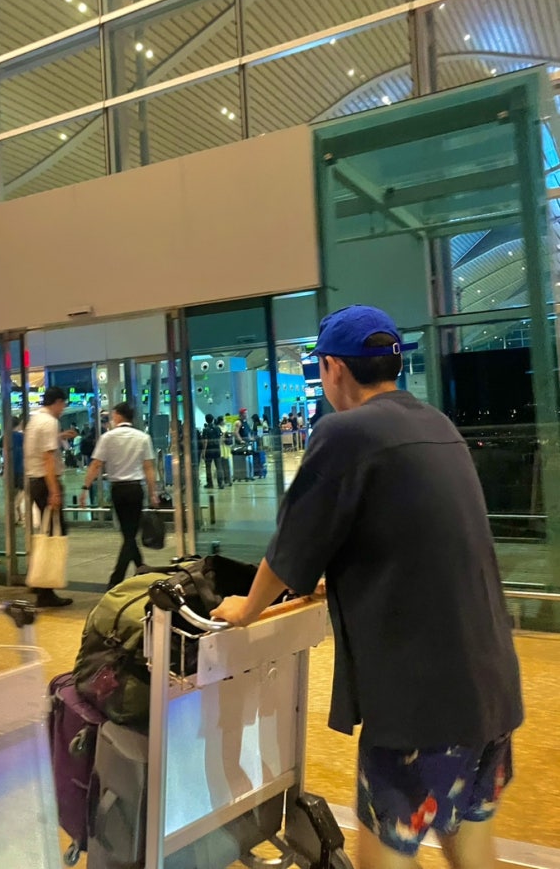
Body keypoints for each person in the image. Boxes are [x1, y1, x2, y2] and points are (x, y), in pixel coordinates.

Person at [211, 305, 523, 868]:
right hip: (490, 685)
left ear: (332, 368)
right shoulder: (436, 424)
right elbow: (412, 534)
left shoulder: (345, 432)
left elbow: (293, 541)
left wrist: (248, 608)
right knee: (471, 842)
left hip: (422, 699)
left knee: (387, 849)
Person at [79, 401, 159, 588]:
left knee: (128, 534)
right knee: (130, 534)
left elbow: (96, 464)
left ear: (118, 415)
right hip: (135, 489)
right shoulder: (143, 438)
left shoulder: (107, 437)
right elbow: (148, 467)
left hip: (118, 489)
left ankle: (116, 579)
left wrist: (85, 488)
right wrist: (153, 492)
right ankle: (141, 568)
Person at [24, 386, 75, 608]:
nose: (63, 409)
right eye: (63, 404)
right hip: (45, 482)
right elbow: (47, 459)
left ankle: (39, 584)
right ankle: (45, 591)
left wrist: (60, 436)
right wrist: (54, 491)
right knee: (55, 535)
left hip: (35, 481)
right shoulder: (49, 422)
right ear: (58, 402)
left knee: (47, 533)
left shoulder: (35, 419)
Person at [201, 413, 224, 489]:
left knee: (208, 467)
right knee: (219, 466)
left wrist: (203, 452)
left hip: (209, 450)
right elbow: (221, 438)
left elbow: (205, 441)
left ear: (206, 420)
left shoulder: (205, 429)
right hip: (217, 449)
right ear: (213, 419)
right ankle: (220, 483)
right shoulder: (217, 428)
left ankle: (210, 483)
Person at [11, 415, 25, 524]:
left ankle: (18, 516)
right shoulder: (21, 436)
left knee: (14, 492)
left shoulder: (6, 436)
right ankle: (16, 508)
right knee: (23, 490)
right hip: (21, 468)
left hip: (11, 469)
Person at [216, 415, 233, 487]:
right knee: (221, 465)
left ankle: (228, 479)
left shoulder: (226, 427)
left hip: (226, 447)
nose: (225, 421)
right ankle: (223, 480)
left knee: (227, 464)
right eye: (224, 419)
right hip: (221, 447)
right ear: (221, 421)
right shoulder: (218, 428)